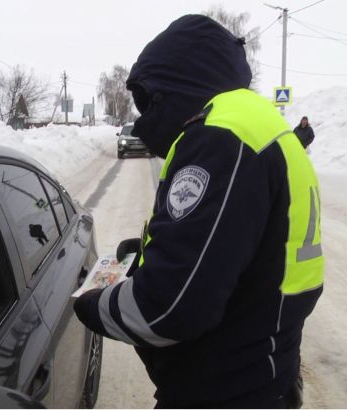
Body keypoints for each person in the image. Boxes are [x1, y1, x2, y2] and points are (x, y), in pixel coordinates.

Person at [74, 15, 323, 408]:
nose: (147, 119)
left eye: (151, 100)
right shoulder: (264, 126)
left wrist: (94, 303)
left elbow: (169, 309)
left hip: (221, 392)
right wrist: (153, 255)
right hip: (268, 372)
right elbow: (245, 247)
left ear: (178, 83)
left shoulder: (219, 135)